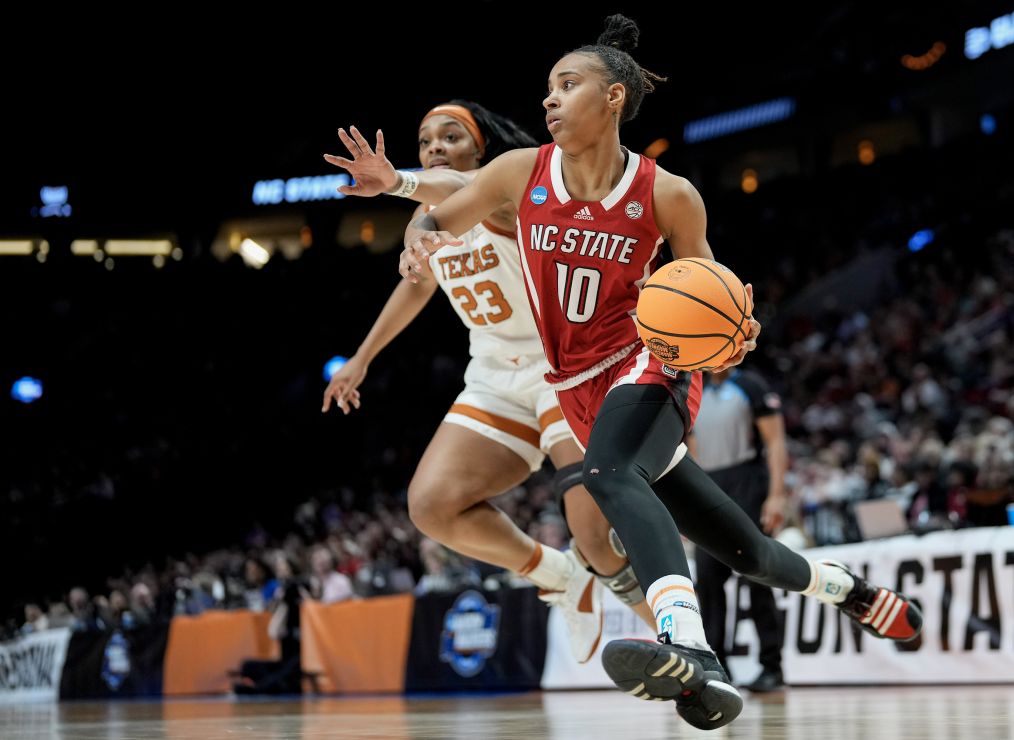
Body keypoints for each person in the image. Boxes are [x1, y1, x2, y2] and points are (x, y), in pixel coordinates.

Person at [394, 16, 924, 730]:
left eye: (567, 84)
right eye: (547, 88)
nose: (549, 101)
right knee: (749, 553)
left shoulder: (668, 193)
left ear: (614, 98)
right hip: (573, 384)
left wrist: (732, 330)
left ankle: (692, 652)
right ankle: (855, 593)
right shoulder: (519, 173)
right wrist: (416, 244)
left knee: (607, 480)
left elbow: (707, 285)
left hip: (648, 363)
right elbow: (436, 217)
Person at [322, 100, 654, 662]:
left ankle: (687, 641)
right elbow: (418, 286)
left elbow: (453, 184)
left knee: (596, 535)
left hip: (563, 367)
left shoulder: (502, 194)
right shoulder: (425, 215)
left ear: (479, 148)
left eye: (450, 136)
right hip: (496, 375)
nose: (435, 147)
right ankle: (558, 577)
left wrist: (399, 180)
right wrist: (363, 356)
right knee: (431, 506)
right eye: (425, 140)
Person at [690, 367, 788, 692]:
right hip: (708, 486)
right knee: (707, 580)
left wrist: (775, 495)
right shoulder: (691, 387)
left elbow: (775, 442)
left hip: (747, 482)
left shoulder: (750, 384)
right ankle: (717, 668)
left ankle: (771, 666)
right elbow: (687, 450)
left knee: (757, 577)